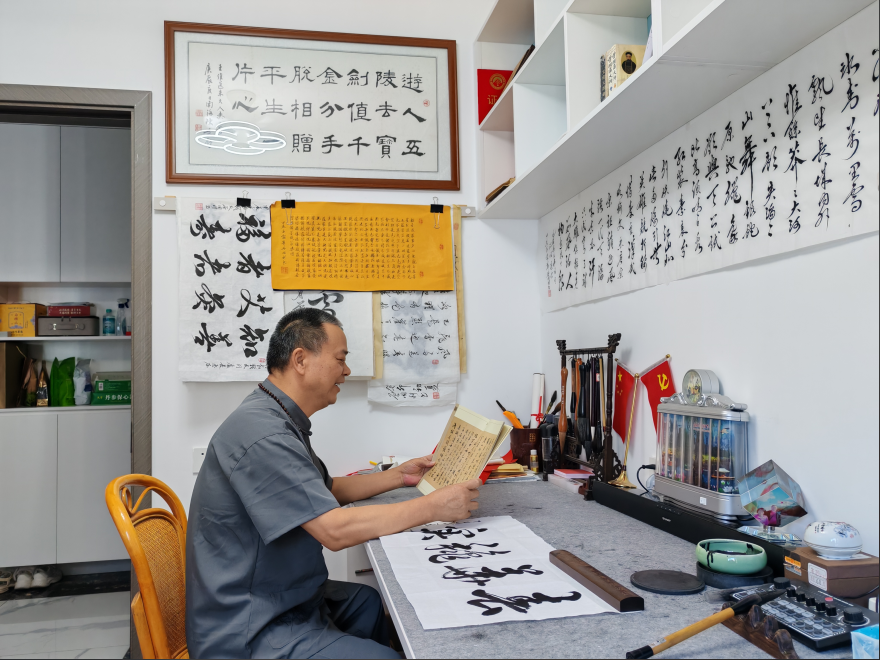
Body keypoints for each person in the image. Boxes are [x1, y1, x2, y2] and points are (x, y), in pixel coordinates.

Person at [186, 308, 481, 659]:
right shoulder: (263, 433)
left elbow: (325, 491)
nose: (346, 370)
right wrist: (434, 507)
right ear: (300, 360)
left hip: (282, 596)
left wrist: (399, 476)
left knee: (366, 603)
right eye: (340, 359)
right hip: (250, 624)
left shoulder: (276, 415)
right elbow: (333, 531)